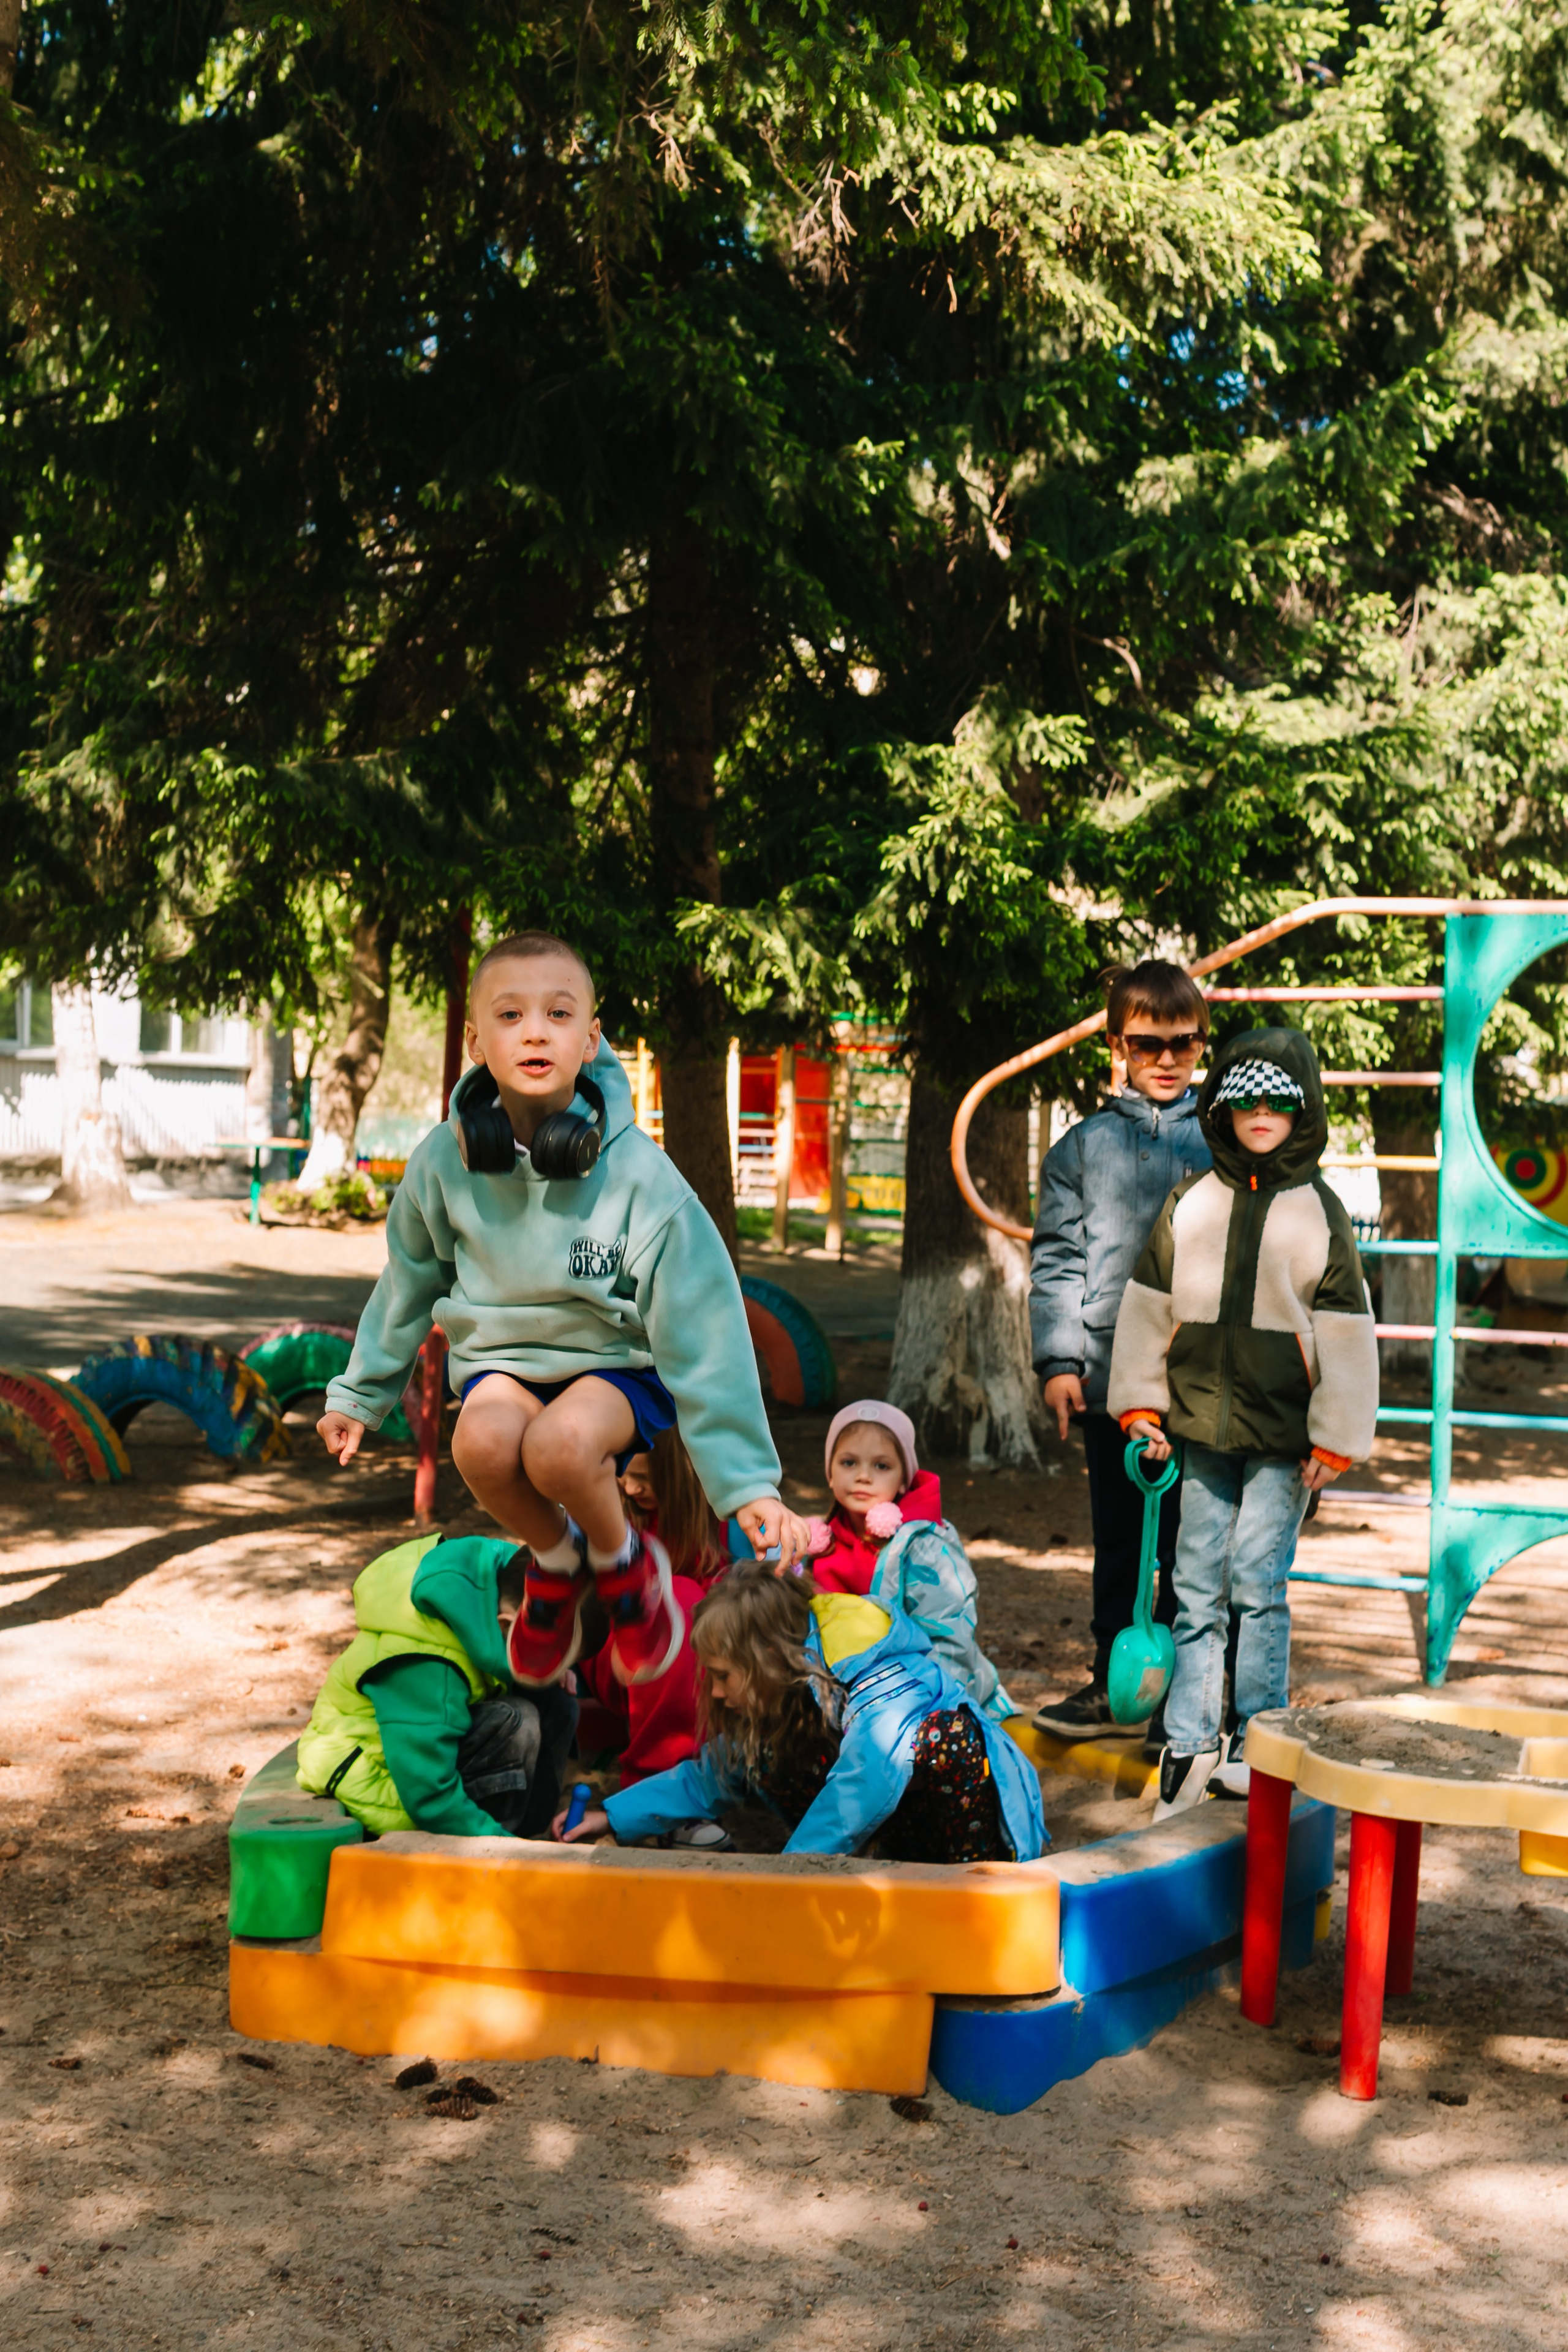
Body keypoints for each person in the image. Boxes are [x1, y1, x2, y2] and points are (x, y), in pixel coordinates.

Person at [315, 931, 808, 1689]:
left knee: (559, 1448)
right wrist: (359, 1393)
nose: (536, 1030)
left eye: (558, 1013)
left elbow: (705, 1328)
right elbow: (409, 1279)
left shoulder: (639, 1176)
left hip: (615, 1370)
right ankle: (555, 1560)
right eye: (510, 1016)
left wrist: (746, 1485)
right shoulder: (442, 1164)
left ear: (591, 1039)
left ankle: (626, 1562)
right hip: (504, 1367)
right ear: (476, 1042)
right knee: (478, 1446)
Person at [1107, 1028, 1379, 1818]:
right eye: (1244, 1100)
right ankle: (1190, 1740)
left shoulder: (1320, 1213)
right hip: (1198, 1430)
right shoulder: (1190, 1203)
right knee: (1193, 1583)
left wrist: (1338, 1435)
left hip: (1286, 1441)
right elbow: (1147, 1309)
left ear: (1305, 1111)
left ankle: (1262, 1740)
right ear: (1220, 1111)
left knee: (1255, 1582)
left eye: (1280, 1101)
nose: (1261, 1113)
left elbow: (1348, 1333)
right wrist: (1139, 1404)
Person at [552, 1564, 1047, 1861]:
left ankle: (979, 1883)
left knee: (947, 1736)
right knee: (763, 1753)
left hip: (974, 1838)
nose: (718, 1692)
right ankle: (871, 1871)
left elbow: (868, 1776)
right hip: (903, 1846)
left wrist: (794, 1870)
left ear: (767, 1660)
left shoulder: (872, 1666)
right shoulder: (787, 1694)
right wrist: (614, 1817)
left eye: (724, 1675)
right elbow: (710, 1777)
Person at [1029, 960, 1213, 1749]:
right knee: (1119, 1539)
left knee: (1191, 1543)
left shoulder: (1223, 1142)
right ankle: (1113, 1680)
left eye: (1182, 1044)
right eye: (1147, 1044)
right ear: (1117, 1046)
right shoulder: (1081, 1149)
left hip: (1204, 1383)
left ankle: (1189, 1697)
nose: (1165, 1059)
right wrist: (1059, 1363)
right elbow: (1058, 1262)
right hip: (1110, 1378)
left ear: (1202, 1046)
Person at [296, 1533, 578, 1838]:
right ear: (506, 1625)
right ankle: (499, 1844)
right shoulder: (425, 1666)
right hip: (383, 1779)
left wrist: (548, 1668)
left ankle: (534, 1836)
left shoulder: (484, 1602)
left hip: (421, 1748)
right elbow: (429, 1797)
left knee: (556, 1702)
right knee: (516, 1721)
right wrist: (500, 1847)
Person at [804, 1401, 1016, 1724]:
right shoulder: (818, 1545)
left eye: (882, 1466)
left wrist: (927, 1710)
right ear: (829, 1473)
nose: (863, 1476)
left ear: (904, 1480)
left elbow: (948, 1637)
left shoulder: (924, 1547)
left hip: (918, 1697)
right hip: (842, 1699)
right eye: (849, 1462)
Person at [575, 1426, 731, 1817]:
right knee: (672, 1600)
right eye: (621, 1474)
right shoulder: (606, 1514)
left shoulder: (720, 1522)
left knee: (688, 1603)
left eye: (642, 1479)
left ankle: (682, 1783)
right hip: (621, 1654)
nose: (628, 1489)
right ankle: (655, 1785)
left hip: (707, 1664)